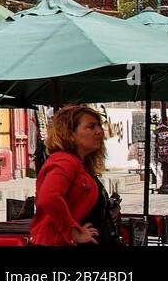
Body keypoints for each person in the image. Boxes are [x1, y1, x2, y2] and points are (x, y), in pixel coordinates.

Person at [31, 105, 121, 247]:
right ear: (70, 134)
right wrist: (72, 231)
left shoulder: (80, 164)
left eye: (99, 126)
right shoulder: (64, 161)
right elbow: (48, 198)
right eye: (91, 127)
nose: (99, 132)